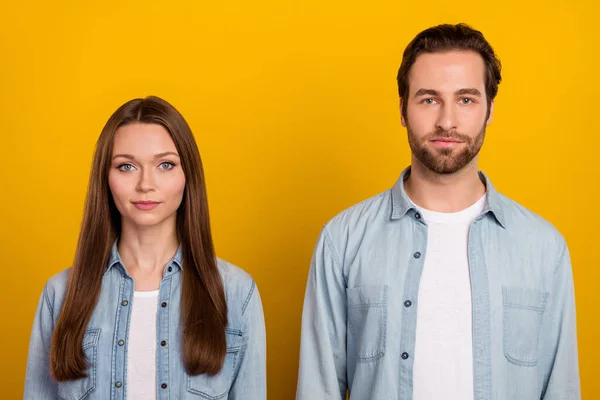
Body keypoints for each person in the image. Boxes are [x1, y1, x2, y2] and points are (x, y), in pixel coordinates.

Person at [296, 23, 580, 400]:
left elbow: (561, 389)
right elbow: (318, 388)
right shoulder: (343, 239)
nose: (447, 121)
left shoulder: (544, 249)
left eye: (466, 99)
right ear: (402, 109)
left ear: (490, 109)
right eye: (429, 99)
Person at [24, 96, 266, 399]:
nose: (145, 184)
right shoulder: (59, 295)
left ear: (188, 175)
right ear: (106, 178)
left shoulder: (237, 294)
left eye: (165, 164)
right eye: (126, 166)